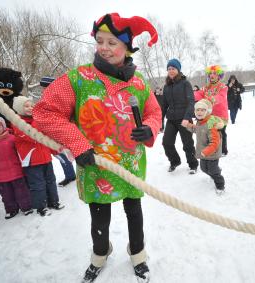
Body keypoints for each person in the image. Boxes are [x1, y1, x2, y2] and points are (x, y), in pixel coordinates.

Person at [32, 12, 161, 283]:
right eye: (100, 41)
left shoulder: (139, 83)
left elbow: (154, 112)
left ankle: (137, 253)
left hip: (130, 166)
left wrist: (149, 127)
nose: (104, 47)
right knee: (99, 220)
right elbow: (45, 113)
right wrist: (77, 143)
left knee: (134, 213)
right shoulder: (78, 79)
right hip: (95, 167)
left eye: (112, 42)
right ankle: (100, 254)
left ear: (127, 47)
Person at [12, 96, 64, 216]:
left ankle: (53, 201)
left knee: (51, 181)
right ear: (19, 108)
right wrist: (39, 120)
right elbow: (33, 137)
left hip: (45, 158)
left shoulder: (37, 121)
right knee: (37, 185)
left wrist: (55, 150)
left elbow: (46, 138)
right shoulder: (18, 123)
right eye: (26, 106)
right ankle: (41, 207)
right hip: (31, 162)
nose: (30, 108)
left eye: (31, 105)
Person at [0, 115, 33, 219]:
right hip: (0, 176)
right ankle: (12, 209)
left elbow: (21, 154)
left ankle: (26, 207)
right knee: (7, 195)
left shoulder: (12, 138)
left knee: (22, 192)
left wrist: (26, 167)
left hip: (16, 172)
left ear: (3, 126)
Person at [161, 58, 198, 173]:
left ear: (178, 70)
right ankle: (175, 161)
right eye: (169, 69)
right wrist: (160, 122)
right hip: (171, 119)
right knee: (166, 142)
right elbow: (164, 106)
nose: (171, 71)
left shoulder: (185, 83)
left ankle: (193, 164)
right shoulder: (166, 87)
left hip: (184, 119)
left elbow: (191, 101)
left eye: (173, 68)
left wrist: (187, 118)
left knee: (187, 144)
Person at [183, 99, 225, 194]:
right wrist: (188, 125)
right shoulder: (200, 122)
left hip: (212, 153)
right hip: (203, 153)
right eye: (197, 110)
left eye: (202, 110)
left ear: (207, 112)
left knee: (213, 171)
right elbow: (197, 129)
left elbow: (215, 142)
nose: (200, 112)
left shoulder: (211, 124)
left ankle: (220, 185)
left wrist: (206, 151)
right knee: (203, 168)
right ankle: (216, 171)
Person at [194, 65, 229, 156]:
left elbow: (221, 97)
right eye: (210, 74)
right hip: (209, 115)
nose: (212, 75)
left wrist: (212, 99)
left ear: (219, 76)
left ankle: (223, 150)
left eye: (214, 73)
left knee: (221, 132)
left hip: (220, 115)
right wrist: (190, 95)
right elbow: (198, 94)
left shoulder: (223, 87)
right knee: (211, 133)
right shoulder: (206, 87)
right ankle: (213, 149)